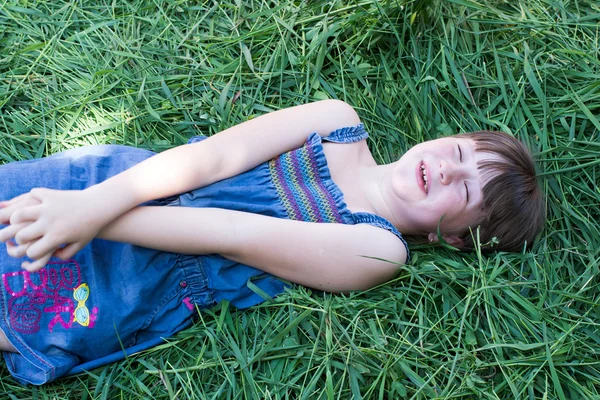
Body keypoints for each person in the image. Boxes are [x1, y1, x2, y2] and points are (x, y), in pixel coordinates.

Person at [0, 100, 544, 385]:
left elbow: (231, 234)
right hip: (125, 182)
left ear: (450, 238)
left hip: (145, 275)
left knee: (18, 306)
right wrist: (93, 201)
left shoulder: (379, 249)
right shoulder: (337, 121)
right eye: (459, 151)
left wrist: (94, 221)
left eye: (467, 187)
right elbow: (209, 160)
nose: (447, 169)